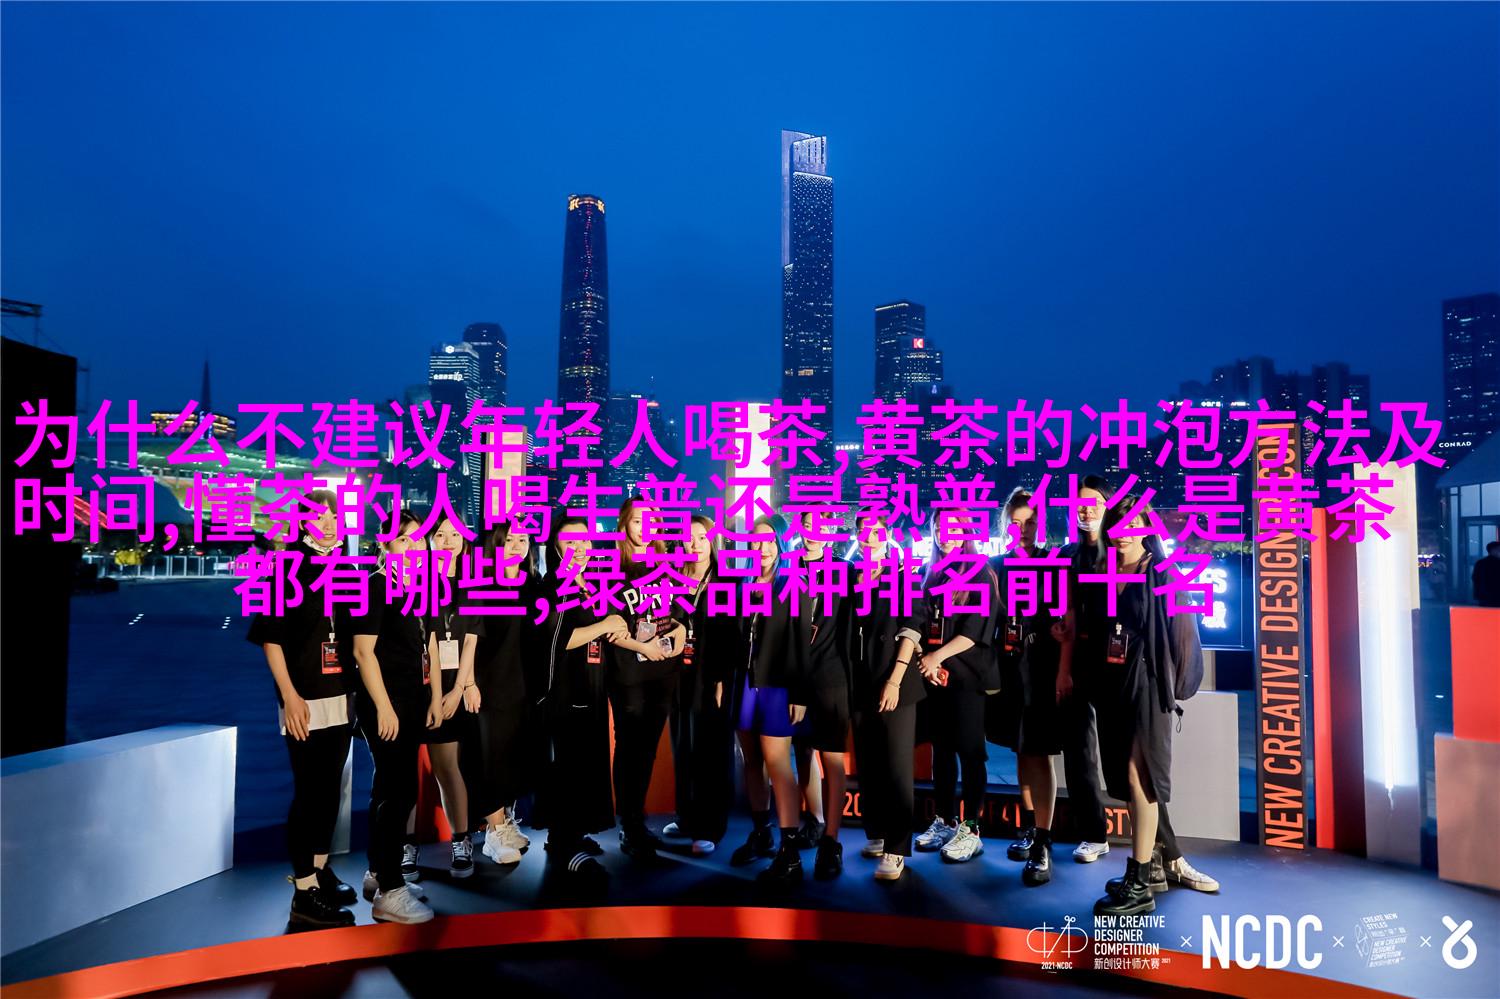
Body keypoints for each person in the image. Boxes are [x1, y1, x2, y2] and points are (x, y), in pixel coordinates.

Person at [1072, 494, 1211, 916]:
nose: (1124, 533)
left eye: (1133, 525)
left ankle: (1139, 882)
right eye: (1118, 524)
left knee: (1140, 778)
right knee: (1125, 780)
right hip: (1112, 685)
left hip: (1147, 686)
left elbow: (1182, 637)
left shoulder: (1163, 572)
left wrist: (1173, 689)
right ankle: (1145, 870)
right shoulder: (1105, 571)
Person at [248, 489, 358, 928]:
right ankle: (304, 888)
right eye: (320, 516)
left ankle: (320, 867)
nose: (329, 523)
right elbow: (271, 640)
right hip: (304, 699)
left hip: (341, 696)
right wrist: (290, 697)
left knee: (331, 790)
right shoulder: (285, 567)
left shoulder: (346, 568)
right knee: (309, 791)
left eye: (335, 516)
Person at [351, 509, 435, 924]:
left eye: (418, 539)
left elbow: (421, 649)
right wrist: (384, 707)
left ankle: (378, 872)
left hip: (410, 700)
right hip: (388, 705)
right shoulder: (375, 586)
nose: (413, 546)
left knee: (389, 788)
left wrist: (431, 697)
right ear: (385, 545)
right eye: (404, 539)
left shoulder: (414, 587)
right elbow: (363, 652)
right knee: (397, 792)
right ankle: (390, 889)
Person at [535, 510, 628, 884]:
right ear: (556, 546)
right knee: (568, 768)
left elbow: (606, 630)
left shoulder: (589, 582)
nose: (579, 547)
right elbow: (556, 640)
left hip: (591, 687)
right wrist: (604, 624)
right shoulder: (553, 586)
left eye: (584, 539)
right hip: (564, 692)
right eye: (570, 541)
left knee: (586, 765)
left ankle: (572, 833)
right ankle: (564, 844)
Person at [836, 510, 926, 882]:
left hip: (895, 683)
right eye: (862, 531)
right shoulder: (851, 576)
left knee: (896, 766)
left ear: (887, 534)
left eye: (875, 531)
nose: (868, 537)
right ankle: (877, 831)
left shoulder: (902, 575)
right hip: (860, 681)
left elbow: (912, 628)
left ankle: (897, 846)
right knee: (869, 762)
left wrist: (895, 680)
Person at [989, 487, 1070, 885]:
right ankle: (1029, 825)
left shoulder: (1054, 564)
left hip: (1040, 668)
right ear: (1004, 525)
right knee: (1020, 750)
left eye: (1030, 522)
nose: (1023, 529)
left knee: (1039, 752)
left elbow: (1065, 623)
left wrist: (1062, 668)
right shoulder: (994, 566)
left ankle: (1043, 839)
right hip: (1007, 668)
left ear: (1041, 524)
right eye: (1015, 522)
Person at [913, 507, 1001, 866]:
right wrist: (927, 661)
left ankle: (972, 829)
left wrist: (936, 657)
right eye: (938, 527)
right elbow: (920, 622)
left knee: (971, 752)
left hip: (968, 677)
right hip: (936, 677)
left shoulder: (980, 572)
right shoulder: (929, 572)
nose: (944, 534)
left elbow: (975, 632)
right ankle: (945, 820)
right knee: (942, 751)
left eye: (951, 527)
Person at [726, 515, 806, 884]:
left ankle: (791, 852)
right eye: (755, 541)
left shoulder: (793, 582)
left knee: (778, 765)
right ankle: (762, 833)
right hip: (745, 683)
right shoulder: (743, 583)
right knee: (751, 762)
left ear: (780, 543)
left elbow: (801, 642)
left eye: (768, 540)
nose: (761, 547)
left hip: (779, 686)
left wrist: (800, 693)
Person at [607, 496, 688, 860]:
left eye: (651, 520)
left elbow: (679, 614)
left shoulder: (665, 565)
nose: (644, 527)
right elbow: (609, 627)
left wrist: (675, 635)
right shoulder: (611, 566)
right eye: (638, 520)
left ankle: (637, 821)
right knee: (629, 747)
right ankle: (629, 825)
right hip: (629, 672)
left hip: (663, 670)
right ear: (624, 524)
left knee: (647, 750)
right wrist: (644, 647)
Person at [466, 520, 544, 867]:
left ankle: (507, 823)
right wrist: (469, 683)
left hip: (524, 686)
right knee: (491, 760)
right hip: (489, 687)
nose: (516, 545)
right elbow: (469, 640)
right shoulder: (482, 585)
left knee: (514, 759)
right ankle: (494, 834)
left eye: (522, 539)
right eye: (509, 539)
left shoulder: (533, 586)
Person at [662, 515, 740, 856]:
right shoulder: (673, 579)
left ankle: (710, 825)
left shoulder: (725, 581)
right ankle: (686, 816)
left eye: (701, 537)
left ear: (713, 542)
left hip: (711, 676)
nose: (694, 544)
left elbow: (731, 636)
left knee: (711, 750)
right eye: (688, 538)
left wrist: (722, 679)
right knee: (682, 746)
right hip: (678, 675)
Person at [788, 508, 852, 880]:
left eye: (821, 526)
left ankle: (832, 840)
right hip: (795, 677)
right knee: (802, 752)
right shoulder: (788, 569)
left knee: (832, 758)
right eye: (807, 525)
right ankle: (813, 820)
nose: (813, 532)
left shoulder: (845, 572)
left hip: (832, 677)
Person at [416, 516, 479, 878]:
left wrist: (459, 688)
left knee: (448, 767)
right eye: (440, 534)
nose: (448, 540)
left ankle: (461, 838)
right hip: (422, 686)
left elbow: (471, 641)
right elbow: (428, 642)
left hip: (456, 686)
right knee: (407, 773)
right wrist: (438, 693)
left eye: (455, 534)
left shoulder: (474, 581)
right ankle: (405, 845)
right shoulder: (420, 581)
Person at [1474, 540, 1500, 607]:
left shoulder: (1480, 563)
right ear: (1493, 550)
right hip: (1497, 596)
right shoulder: (1498, 563)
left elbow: (1475, 578)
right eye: (1498, 549)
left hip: (1483, 597)